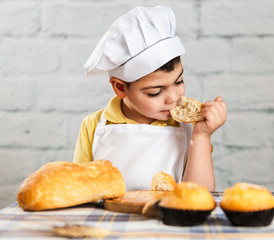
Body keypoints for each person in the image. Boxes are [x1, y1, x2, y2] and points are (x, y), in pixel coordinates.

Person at [73, 6, 227, 191]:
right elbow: (80, 188)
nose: (173, 99)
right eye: (155, 92)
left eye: (179, 82)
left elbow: (199, 194)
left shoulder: (189, 128)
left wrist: (202, 136)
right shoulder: (94, 126)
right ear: (120, 87)